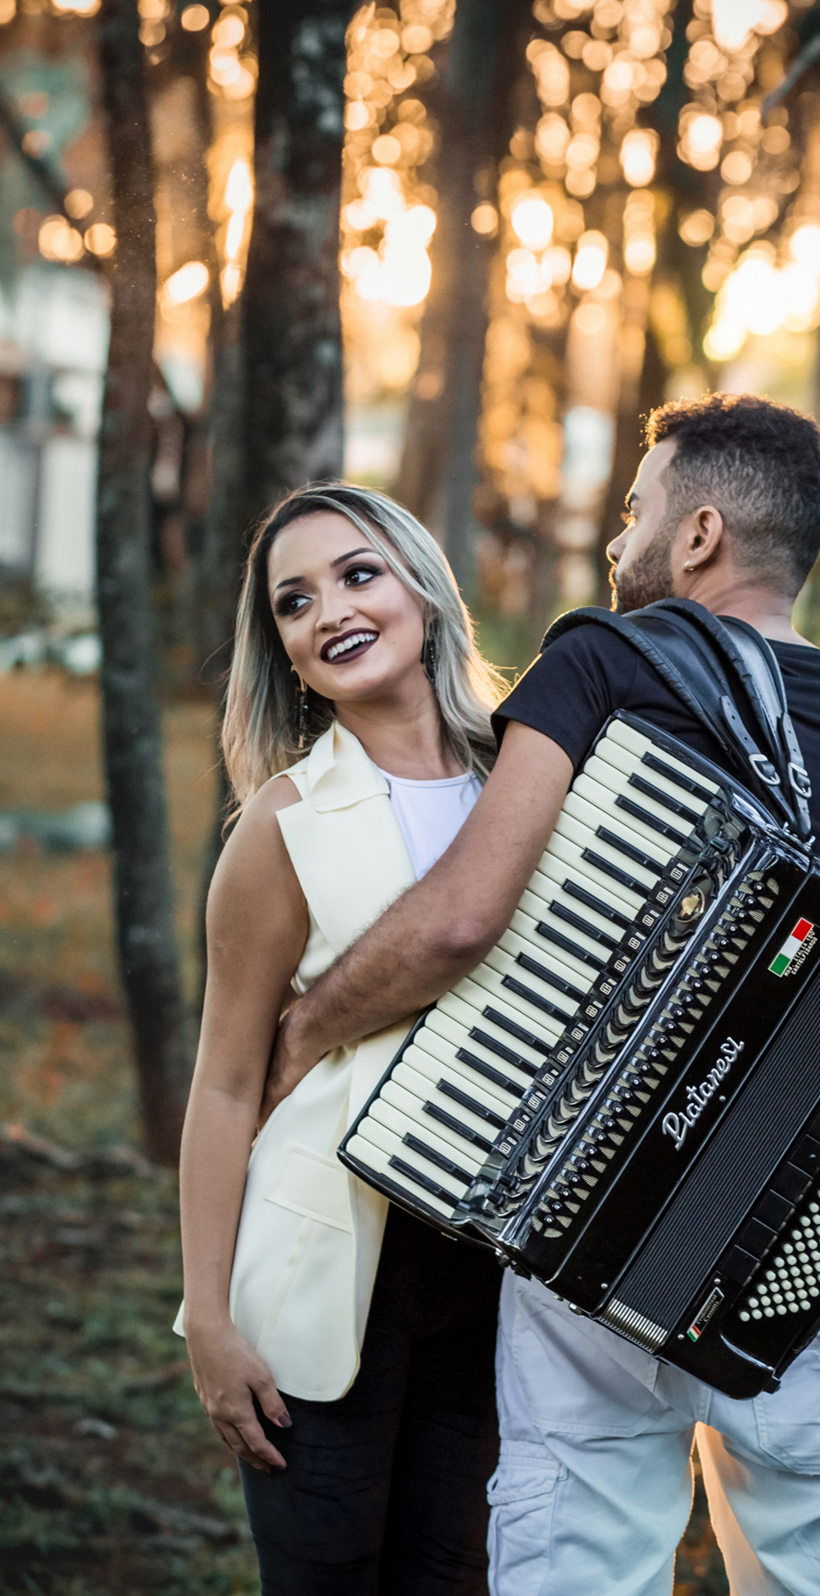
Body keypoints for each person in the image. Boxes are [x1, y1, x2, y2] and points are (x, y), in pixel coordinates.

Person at [262, 395, 820, 1595]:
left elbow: (467, 916)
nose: (614, 542)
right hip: (816, 1282)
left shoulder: (602, 661)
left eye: (633, 512)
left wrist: (305, 1027)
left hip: (605, 1249)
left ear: (694, 537)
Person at [177, 482, 508, 1596]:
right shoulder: (281, 824)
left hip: (496, 1275)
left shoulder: (530, 784)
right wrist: (208, 1321)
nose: (330, 612)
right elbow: (225, 1085)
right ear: (283, 651)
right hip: (324, 1269)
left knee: (451, 1576)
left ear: (420, 586)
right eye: (294, 602)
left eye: (357, 574)